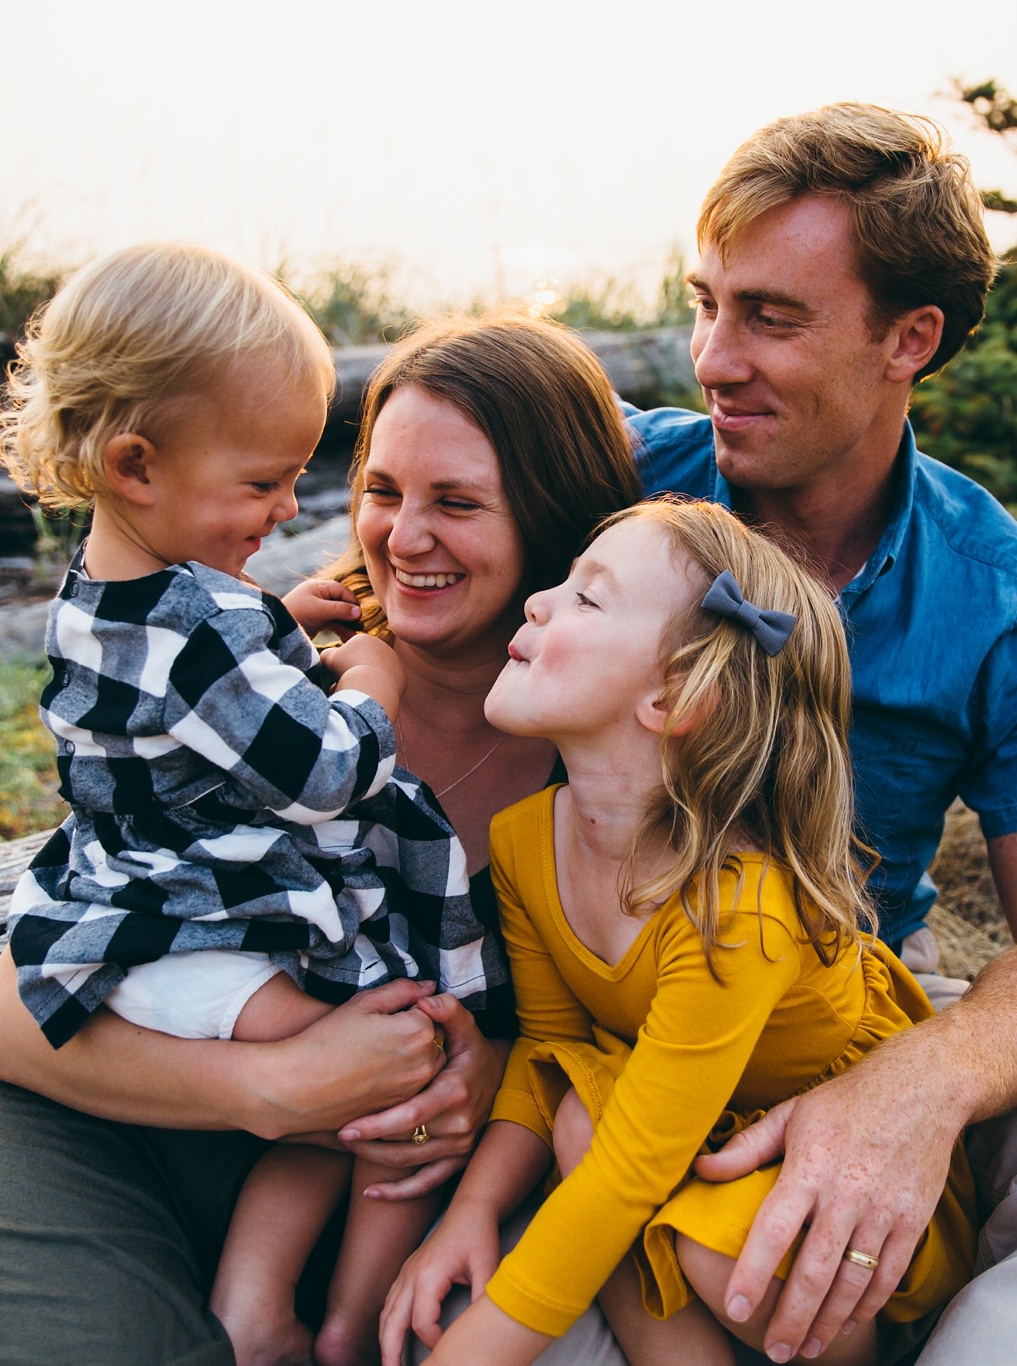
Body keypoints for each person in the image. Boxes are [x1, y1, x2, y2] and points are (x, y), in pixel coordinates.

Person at [606, 105, 1017, 1364]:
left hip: (833, 1017)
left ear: (910, 340)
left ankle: (970, 1261)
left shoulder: (1003, 601)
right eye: (706, 302)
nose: (711, 356)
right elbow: (410, 541)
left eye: (770, 317)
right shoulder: (608, 477)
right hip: (582, 1006)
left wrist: (912, 1089)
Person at [0, 312, 642, 1366]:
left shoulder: (606, 761)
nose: (401, 537)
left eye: (456, 502)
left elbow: (626, 1024)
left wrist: (479, 1081)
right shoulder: (263, 690)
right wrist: (279, 1091)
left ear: (550, 518)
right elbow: (10, 1021)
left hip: (392, 1185)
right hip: (106, 1138)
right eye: (379, 490)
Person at [0, 242, 518, 1366]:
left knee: (360, 1081)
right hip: (202, 921)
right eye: (263, 482)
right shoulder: (203, 630)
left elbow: (188, 654)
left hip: (145, 904)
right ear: (137, 466)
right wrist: (363, 687)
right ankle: (305, 1320)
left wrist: (273, 613)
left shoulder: (110, 592)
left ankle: (269, 1306)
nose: (287, 506)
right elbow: (318, 768)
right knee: (381, 1071)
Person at [383, 499, 980, 1366]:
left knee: (710, 1242)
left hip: (823, 1145)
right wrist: (470, 1215)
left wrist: (474, 1349)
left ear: (674, 696)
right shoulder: (524, 841)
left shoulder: (735, 913)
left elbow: (631, 1173)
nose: (538, 601)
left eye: (587, 600)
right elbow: (547, 1052)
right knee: (583, 1121)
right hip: (674, 1123)